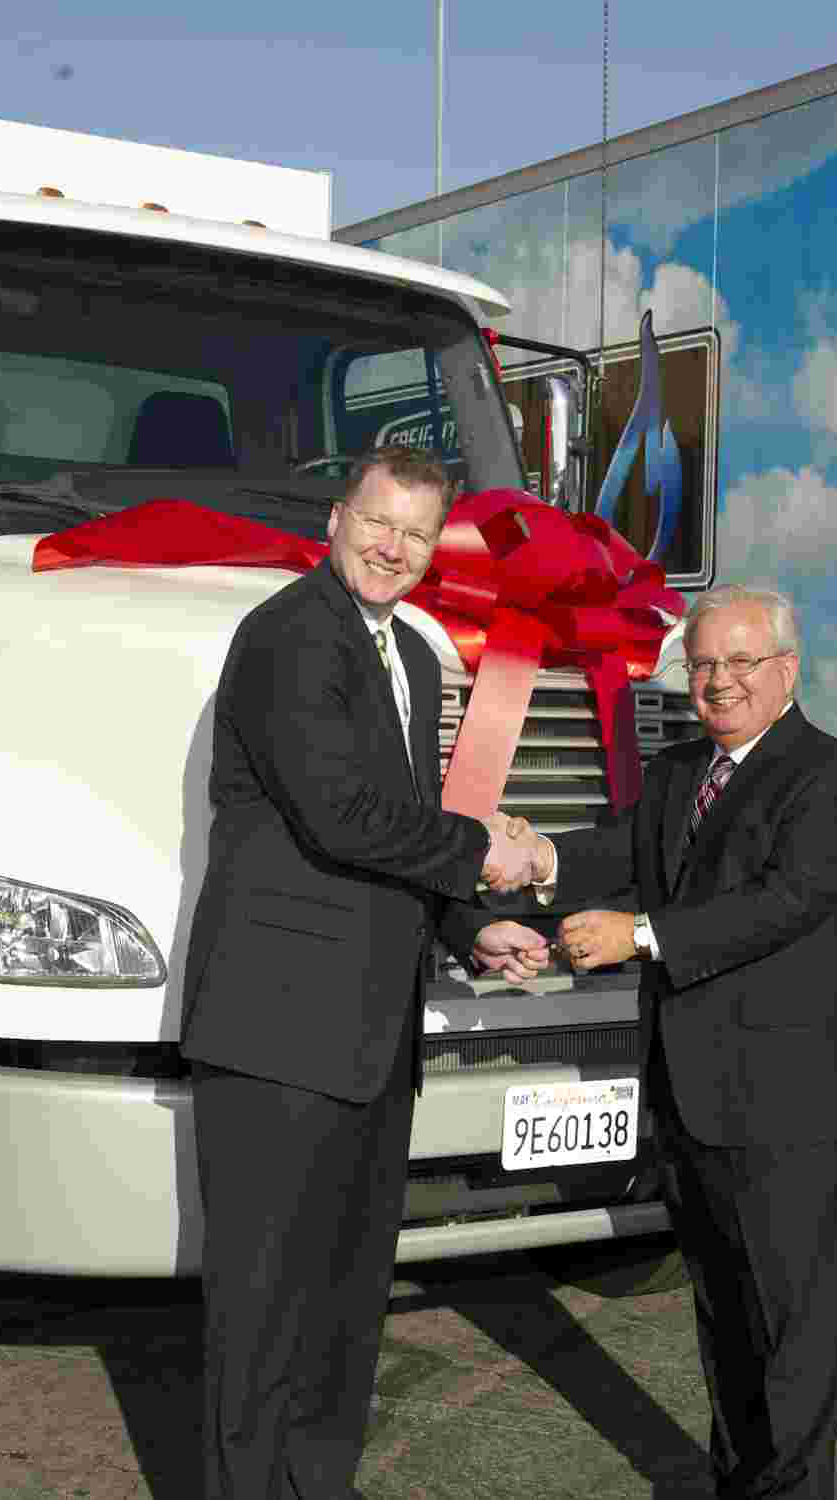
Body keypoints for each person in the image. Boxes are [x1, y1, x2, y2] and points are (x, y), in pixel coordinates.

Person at [179, 442, 547, 1500]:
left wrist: (466, 925)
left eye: (418, 534)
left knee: (345, 1311)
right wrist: (485, 852)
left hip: (373, 1036)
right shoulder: (290, 638)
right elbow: (341, 814)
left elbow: (399, 830)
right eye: (379, 522)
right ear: (337, 518)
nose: (394, 547)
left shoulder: (416, 656)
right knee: (261, 1319)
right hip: (276, 1031)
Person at [460, 584, 837, 1500]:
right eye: (702, 665)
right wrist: (540, 862)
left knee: (795, 1334)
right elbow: (618, 851)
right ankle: (737, 1484)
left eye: (740, 663)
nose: (719, 682)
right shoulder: (678, 770)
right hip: (694, 1094)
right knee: (725, 1319)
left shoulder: (836, 777)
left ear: (787, 673)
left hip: (791, 1106)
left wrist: (641, 934)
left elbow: (787, 901)